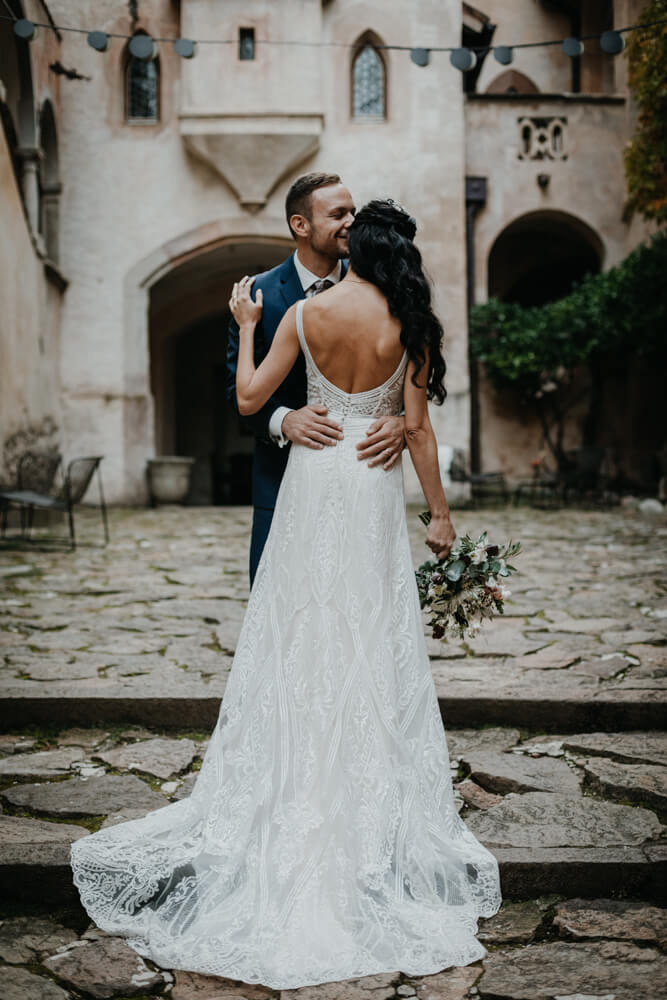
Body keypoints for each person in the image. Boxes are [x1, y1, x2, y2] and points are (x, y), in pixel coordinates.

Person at [70, 199, 501, 990]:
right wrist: (438, 516)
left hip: (315, 484)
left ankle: (295, 783)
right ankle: (368, 805)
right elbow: (416, 432)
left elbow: (246, 400)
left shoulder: (303, 314)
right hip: (371, 490)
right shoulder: (413, 325)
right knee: (370, 638)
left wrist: (243, 328)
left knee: (301, 632)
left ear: (354, 249)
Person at [226, 172, 405, 585]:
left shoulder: (385, 289)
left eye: (353, 212)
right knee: (280, 606)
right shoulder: (258, 296)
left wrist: (399, 421)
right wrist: (284, 420)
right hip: (281, 477)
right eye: (338, 214)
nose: (352, 222)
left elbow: (406, 370)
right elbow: (236, 393)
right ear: (300, 226)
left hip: (361, 479)